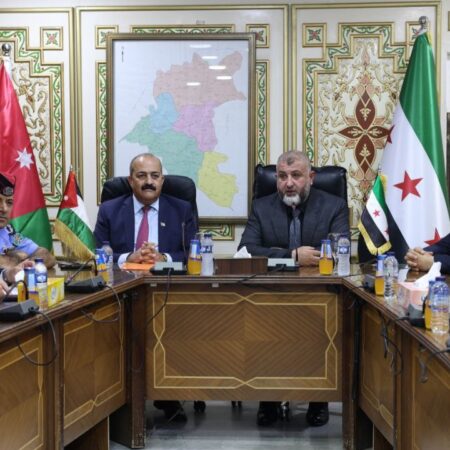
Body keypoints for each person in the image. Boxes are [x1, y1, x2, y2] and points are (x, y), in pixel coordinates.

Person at [239, 150, 349, 427]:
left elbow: (340, 250)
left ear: (311, 177)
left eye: (296, 176)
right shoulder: (262, 207)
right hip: (270, 295)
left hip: (317, 295)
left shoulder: (334, 206)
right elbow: (247, 250)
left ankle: (318, 397)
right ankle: (268, 398)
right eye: (282, 176)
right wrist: (292, 256)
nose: (288, 183)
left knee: (321, 324)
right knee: (262, 329)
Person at [94, 153, 197, 421]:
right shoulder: (110, 209)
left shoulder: (181, 209)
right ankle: (117, 395)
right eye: (141, 176)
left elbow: (193, 252)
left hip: (168, 291)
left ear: (163, 180)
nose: (148, 181)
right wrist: (128, 257)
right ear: (131, 181)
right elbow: (95, 253)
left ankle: (168, 394)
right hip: (122, 292)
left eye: (154, 176)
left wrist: (164, 258)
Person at [0, 172, 55, 271]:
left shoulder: (8, 231)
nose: (4, 209)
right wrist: (18, 257)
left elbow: (47, 256)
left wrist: (24, 263)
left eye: (9, 203)